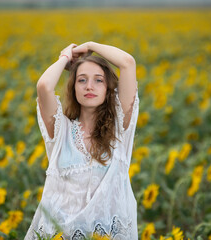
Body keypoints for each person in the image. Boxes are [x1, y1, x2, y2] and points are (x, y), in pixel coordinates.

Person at [25, 42, 139, 240]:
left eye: (98, 80)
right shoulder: (61, 131)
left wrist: (90, 45)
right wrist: (65, 58)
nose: (89, 86)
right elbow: (44, 86)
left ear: (108, 89)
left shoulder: (119, 130)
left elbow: (127, 63)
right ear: (73, 88)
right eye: (81, 80)